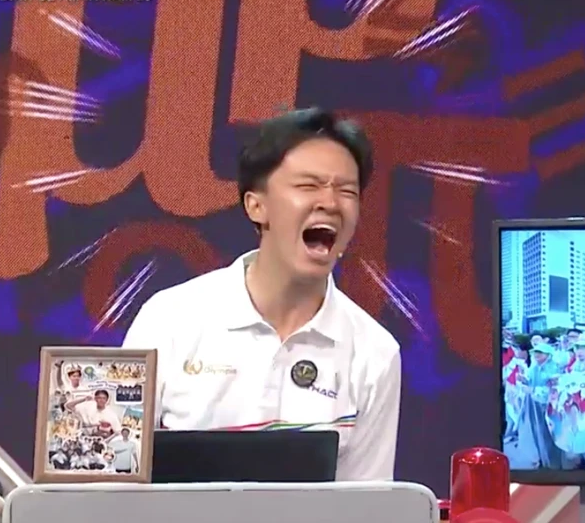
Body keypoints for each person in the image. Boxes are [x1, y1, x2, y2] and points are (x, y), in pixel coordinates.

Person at [122, 108, 401, 481]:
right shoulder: (168, 320)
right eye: (309, 186)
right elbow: (114, 481)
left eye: (346, 191)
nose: (331, 203)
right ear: (257, 205)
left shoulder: (374, 353)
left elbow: (366, 502)